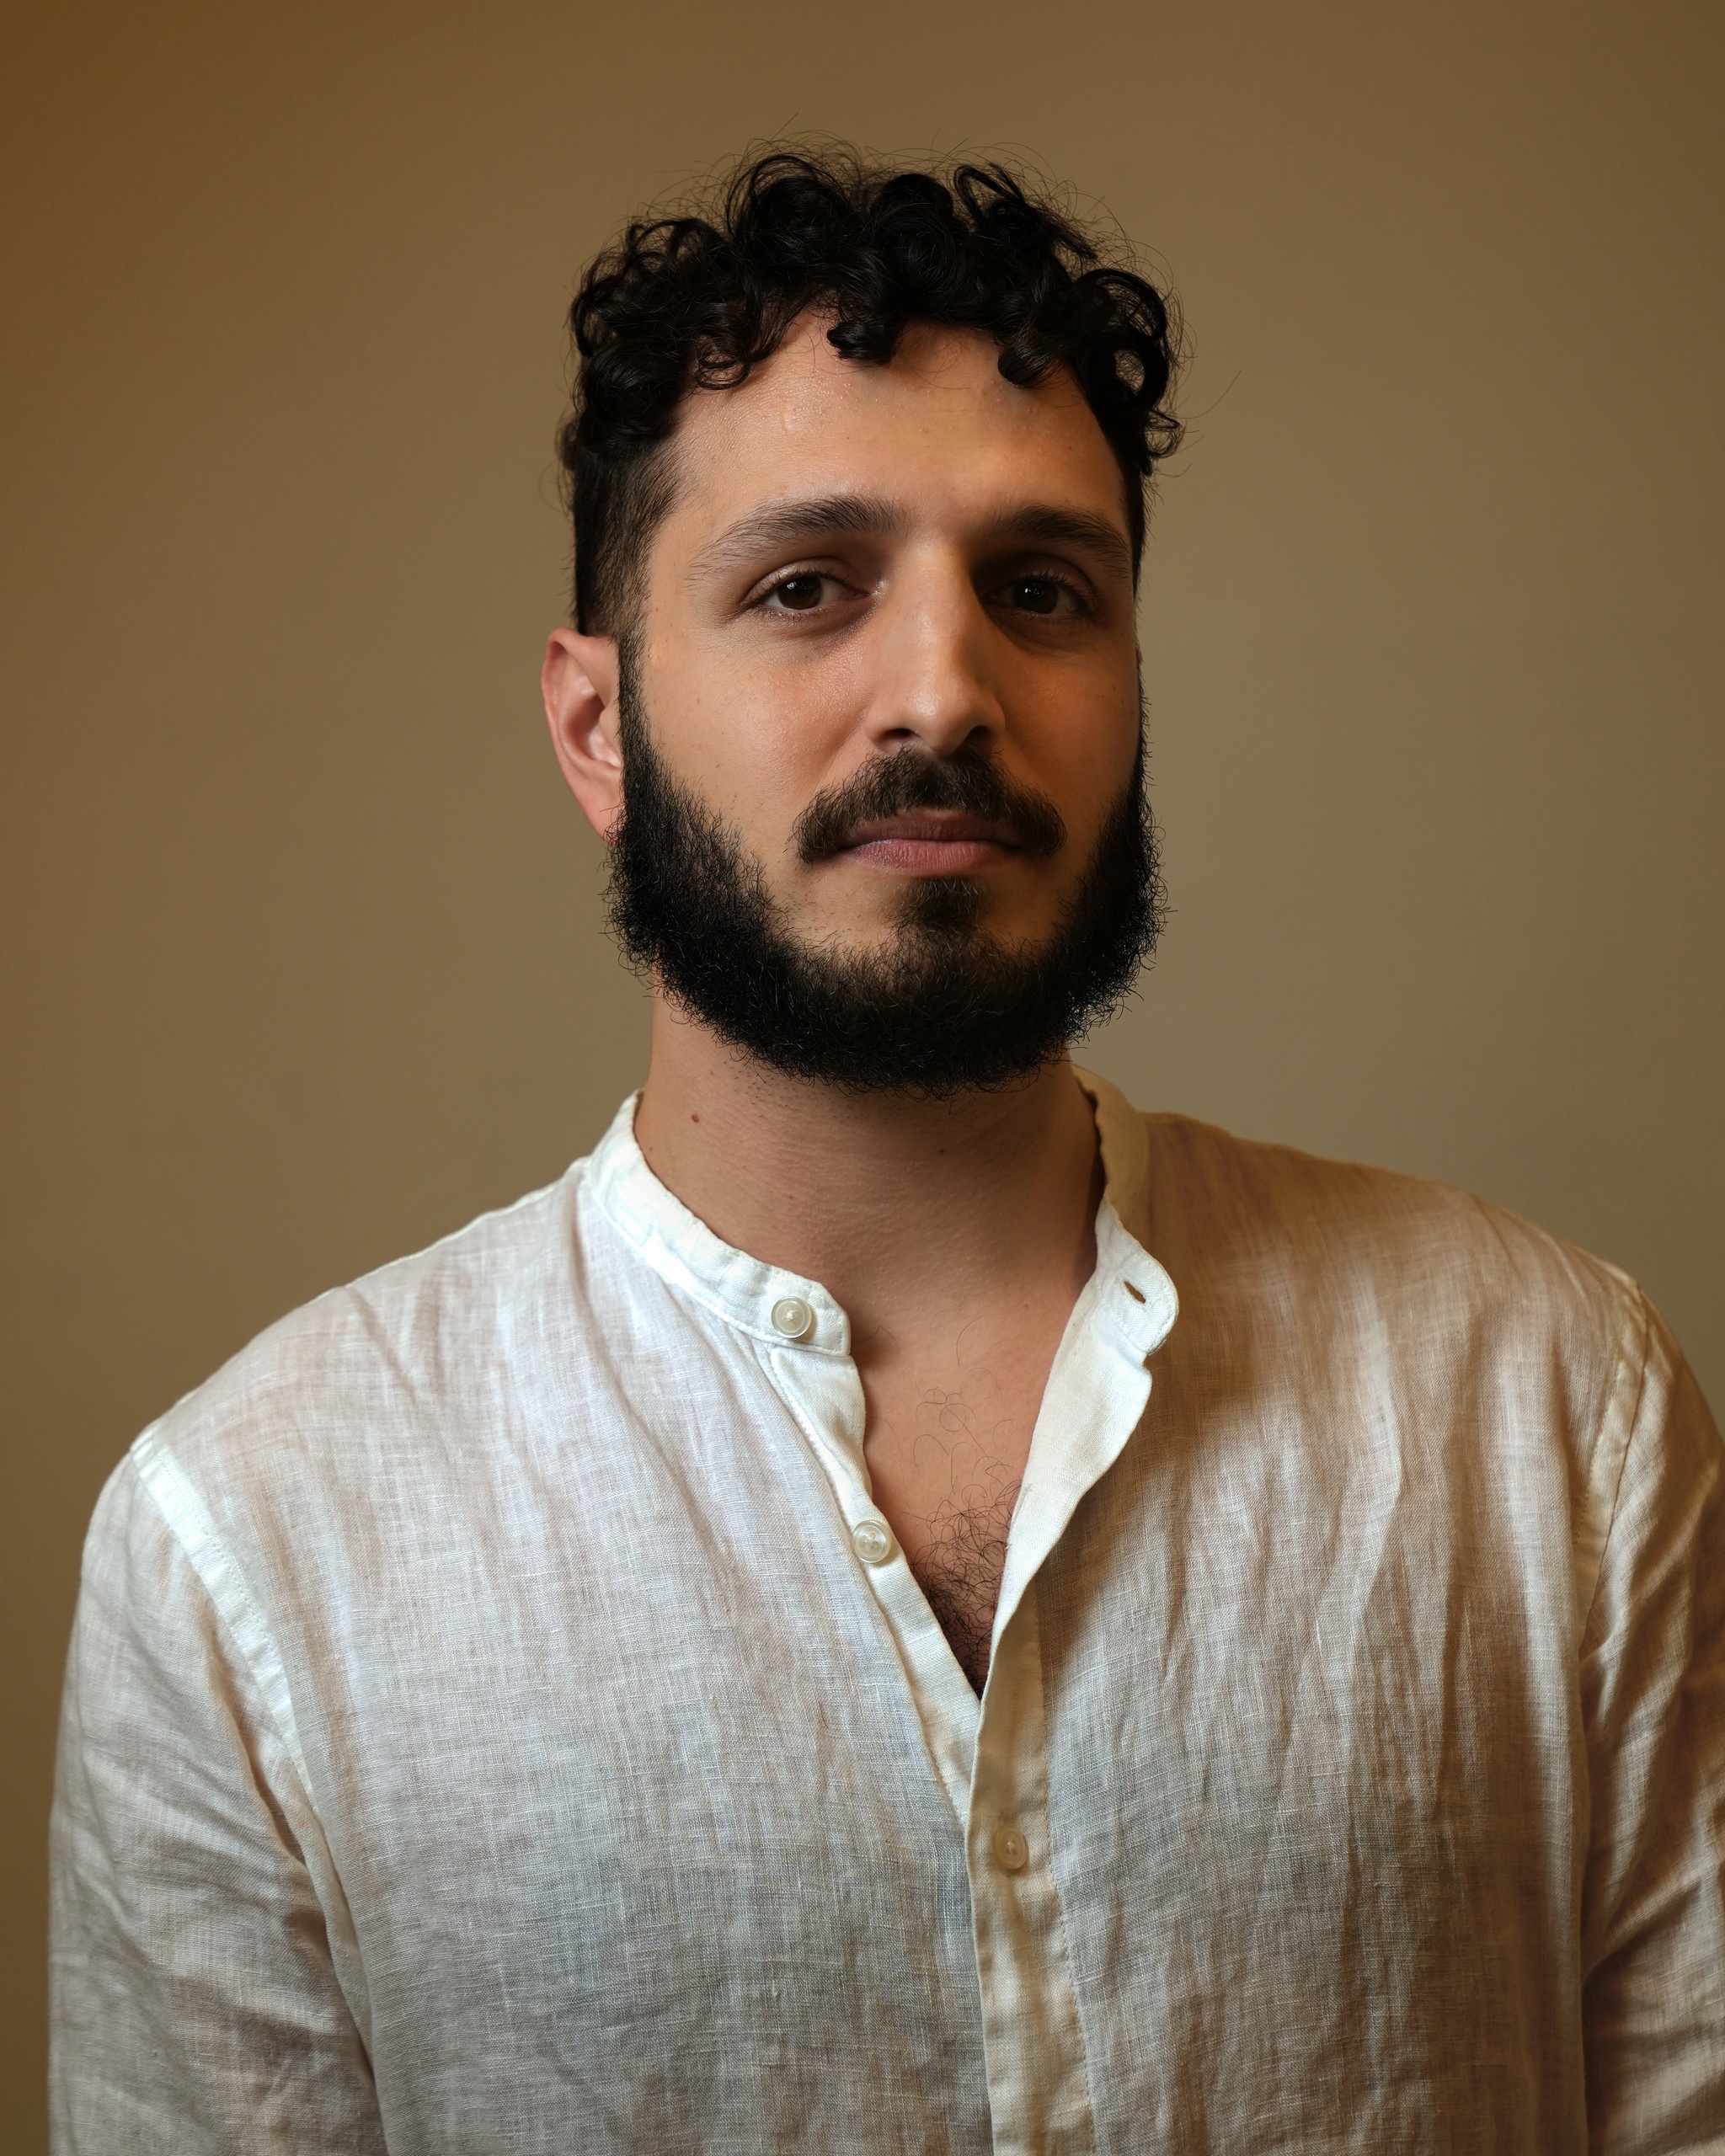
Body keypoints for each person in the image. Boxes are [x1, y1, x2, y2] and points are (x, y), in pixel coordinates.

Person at [50, 147, 1723, 2154]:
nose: (944, 690)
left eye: (1040, 591)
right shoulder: (250, 1551)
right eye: (803, 587)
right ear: (596, 729)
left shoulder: (1549, 1404)